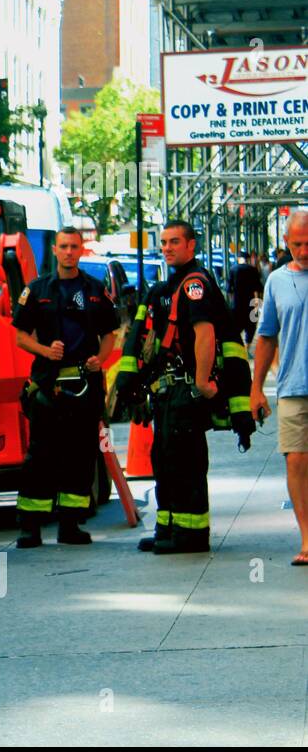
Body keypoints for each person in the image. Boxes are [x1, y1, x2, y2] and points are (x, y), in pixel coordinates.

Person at [11, 227, 119, 547]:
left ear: (81, 250)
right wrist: (46, 351)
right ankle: (30, 527)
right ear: (55, 251)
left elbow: (110, 334)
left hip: (84, 386)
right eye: (63, 247)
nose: (69, 252)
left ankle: (70, 525)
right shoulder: (37, 289)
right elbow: (19, 336)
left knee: (80, 455)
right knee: (41, 456)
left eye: (74, 246)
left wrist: (100, 358)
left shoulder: (95, 290)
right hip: (48, 385)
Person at [134, 221, 228, 554]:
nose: (168, 247)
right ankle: (169, 528)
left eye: (175, 241)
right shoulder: (173, 285)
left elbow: (205, 334)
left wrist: (202, 382)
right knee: (165, 459)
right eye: (163, 242)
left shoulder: (194, 285)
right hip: (168, 390)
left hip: (185, 389)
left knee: (185, 461)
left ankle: (191, 535)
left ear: (191, 246)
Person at [251, 211, 308, 565]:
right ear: (286, 242)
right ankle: (307, 538)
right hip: (292, 387)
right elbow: (267, 336)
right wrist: (256, 389)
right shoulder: (275, 281)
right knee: (297, 463)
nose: (303, 250)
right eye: (297, 243)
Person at [229, 251, 264, 346]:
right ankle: (247, 346)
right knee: (251, 325)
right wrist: (258, 304)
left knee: (236, 326)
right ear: (248, 259)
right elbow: (258, 288)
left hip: (237, 303)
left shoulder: (233, 269)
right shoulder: (253, 270)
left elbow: (229, 289)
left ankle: (238, 346)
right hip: (251, 303)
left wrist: (231, 303)